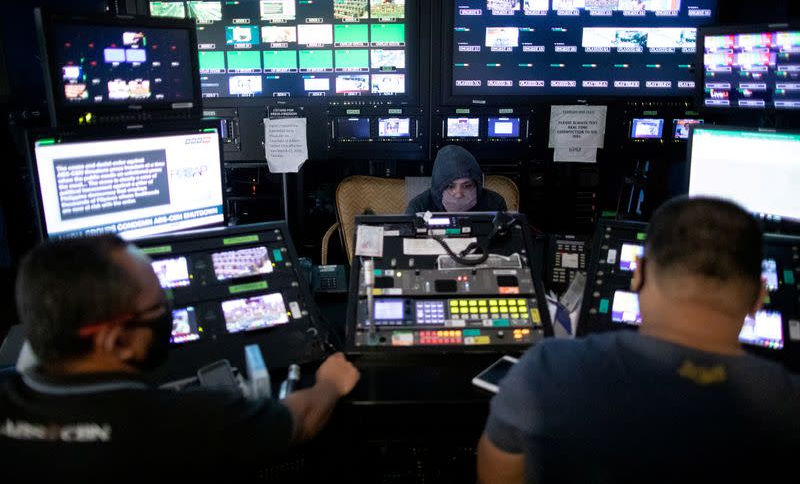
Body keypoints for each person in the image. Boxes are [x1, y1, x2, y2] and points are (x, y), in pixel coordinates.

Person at [477, 197, 800, 484]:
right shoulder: (787, 406)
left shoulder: (544, 371)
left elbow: (497, 475)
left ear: (639, 273)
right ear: (759, 297)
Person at [0, 235, 360, 481]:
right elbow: (301, 421)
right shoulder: (188, 422)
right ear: (115, 339)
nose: (168, 312)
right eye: (160, 306)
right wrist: (330, 382)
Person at [406, 145, 507, 214]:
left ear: (477, 185)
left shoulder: (494, 204)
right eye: (450, 186)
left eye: (467, 186)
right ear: (438, 187)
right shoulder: (419, 207)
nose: (458, 194)